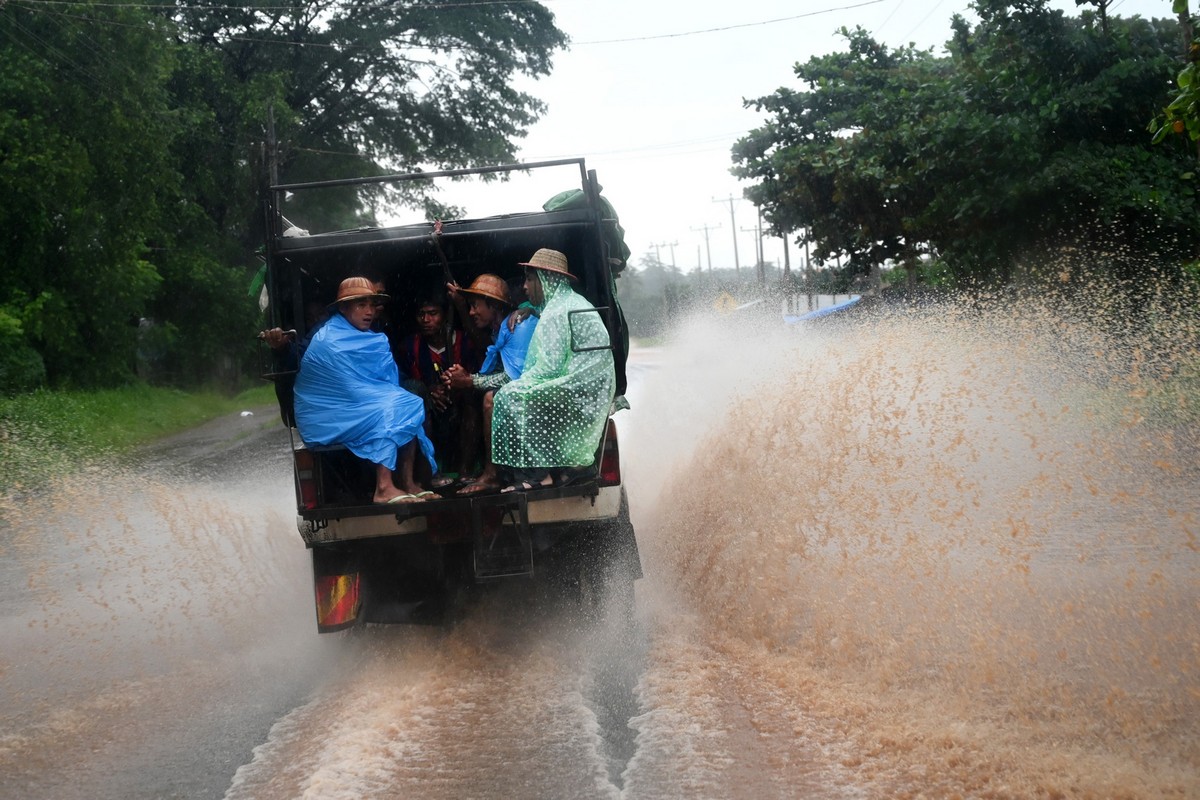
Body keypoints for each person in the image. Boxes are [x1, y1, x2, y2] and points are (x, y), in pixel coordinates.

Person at [293, 277, 437, 504]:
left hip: (358, 405)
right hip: (326, 415)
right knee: (391, 409)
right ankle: (383, 487)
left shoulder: (373, 338)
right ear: (343, 308)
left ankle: (408, 481)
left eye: (372, 304)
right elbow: (348, 388)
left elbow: (384, 382)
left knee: (409, 403)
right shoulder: (328, 340)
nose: (369, 311)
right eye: (361, 305)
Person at [489, 248, 615, 492]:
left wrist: (518, 382)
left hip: (580, 383)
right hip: (590, 382)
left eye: (529, 279)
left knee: (510, 396)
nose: (524, 287)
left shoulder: (557, 312)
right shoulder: (566, 302)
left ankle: (538, 475)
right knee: (515, 392)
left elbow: (550, 368)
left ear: (546, 279)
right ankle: (556, 470)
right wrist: (531, 308)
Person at [443, 273, 539, 494]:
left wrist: (470, 380)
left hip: (529, 393)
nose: (471, 312)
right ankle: (465, 471)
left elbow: (512, 378)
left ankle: (493, 474)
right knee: (469, 395)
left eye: (475, 306)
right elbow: (482, 341)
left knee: (490, 397)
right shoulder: (499, 329)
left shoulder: (519, 326)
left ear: (494, 306)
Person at [393, 291, 483, 487]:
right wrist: (428, 392)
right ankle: (430, 472)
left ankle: (465, 471)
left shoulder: (465, 341)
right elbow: (401, 386)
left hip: (461, 416)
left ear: (444, 315)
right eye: (421, 314)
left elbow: (479, 376)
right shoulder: (409, 347)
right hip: (430, 418)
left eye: (433, 313)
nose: (426, 320)